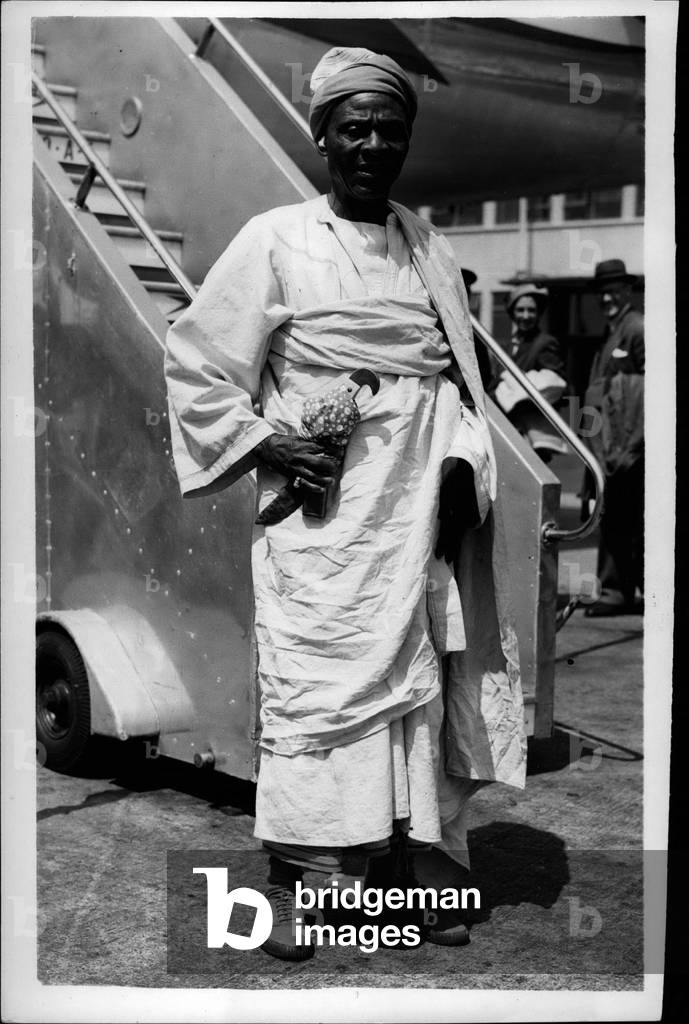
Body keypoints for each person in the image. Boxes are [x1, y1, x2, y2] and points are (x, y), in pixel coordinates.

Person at [164, 46, 525, 960]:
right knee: (316, 687)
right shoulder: (273, 238)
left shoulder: (428, 247)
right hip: (319, 527)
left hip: (413, 522)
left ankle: (412, 859)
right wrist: (270, 442)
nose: (372, 145)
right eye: (354, 128)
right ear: (320, 134)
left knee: (417, 691)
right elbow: (199, 362)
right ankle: (302, 880)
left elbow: (458, 386)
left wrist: (456, 470)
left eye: (389, 131)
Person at [582, 259, 644, 616]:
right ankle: (616, 587)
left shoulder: (635, 328)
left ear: (627, 290)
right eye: (602, 291)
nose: (607, 297)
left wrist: (634, 444)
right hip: (608, 443)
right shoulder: (612, 333)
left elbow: (655, 385)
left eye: (613, 290)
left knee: (625, 515)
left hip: (629, 445)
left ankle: (618, 589)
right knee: (616, 514)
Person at [492, 283, 569, 461]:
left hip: (532, 434)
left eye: (531, 310)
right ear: (512, 312)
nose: (526, 316)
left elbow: (557, 383)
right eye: (520, 310)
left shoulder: (544, 343)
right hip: (506, 428)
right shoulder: (507, 346)